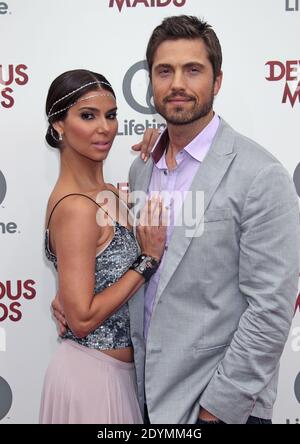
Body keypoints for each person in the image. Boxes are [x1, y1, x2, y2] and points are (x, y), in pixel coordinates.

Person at [53, 16, 300, 424]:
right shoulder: (142, 169)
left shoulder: (260, 175)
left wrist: (217, 409)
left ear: (217, 81)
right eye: (164, 71)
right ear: (150, 82)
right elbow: (142, 269)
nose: (177, 83)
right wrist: (74, 290)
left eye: (193, 70)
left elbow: (271, 308)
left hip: (216, 405)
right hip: (145, 397)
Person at [39, 69, 166, 424]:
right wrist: (147, 261)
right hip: (92, 381)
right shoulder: (76, 207)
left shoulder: (108, 193)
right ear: (58, 125)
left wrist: (165, 142)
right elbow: (80, 319)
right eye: (87, 115)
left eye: (110, 115)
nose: (104, 128)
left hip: (120, 377)